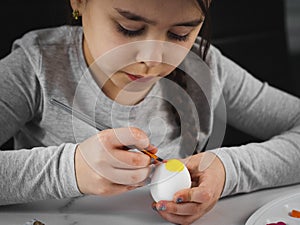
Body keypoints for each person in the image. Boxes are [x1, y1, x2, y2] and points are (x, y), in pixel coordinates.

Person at [0, 0, 299, 224]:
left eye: (180, 34)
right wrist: (70, 170)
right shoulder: (35, 67)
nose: (153, 59)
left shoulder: (204, 69)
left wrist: (227, 170)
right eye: (129, 28)